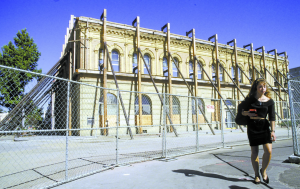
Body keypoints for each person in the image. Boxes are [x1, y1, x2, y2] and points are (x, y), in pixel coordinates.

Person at [241, 78, 276, 184]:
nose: (263, 88)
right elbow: (242, 112)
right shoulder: (250, 99)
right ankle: (256, 175)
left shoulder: (270, 101)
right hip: (252, 126)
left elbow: (272, 117)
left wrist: (273, 131)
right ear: (256, 87)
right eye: (260, 86)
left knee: (268, 151)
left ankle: (263, 171)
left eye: (264, 86)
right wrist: (248, 113)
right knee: (254, 152)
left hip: (264, 126)